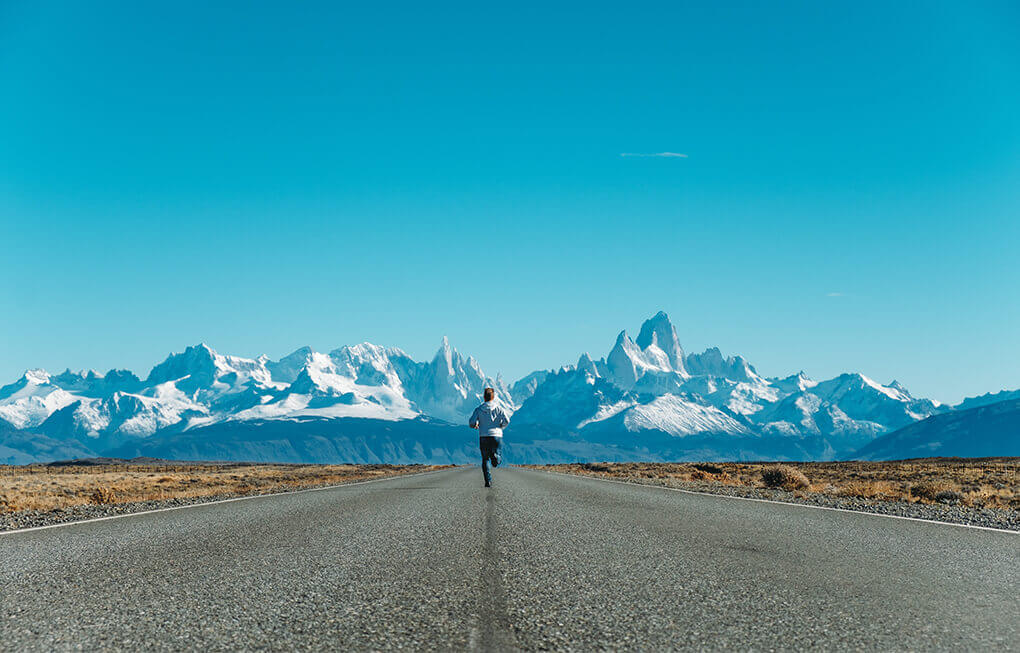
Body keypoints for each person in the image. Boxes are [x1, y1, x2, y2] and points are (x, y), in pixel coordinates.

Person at [468, 387, 510, 487]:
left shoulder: (479, 409)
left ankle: (488, 481)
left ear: (484, 397)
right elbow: (507, 420)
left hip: (484, 436)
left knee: (485, 459)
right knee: (496, 459)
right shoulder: (499, 408)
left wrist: (476, 425)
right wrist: (501, 426)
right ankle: (496, 457)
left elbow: (471, 422)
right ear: (493, 396)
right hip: (497, 436)